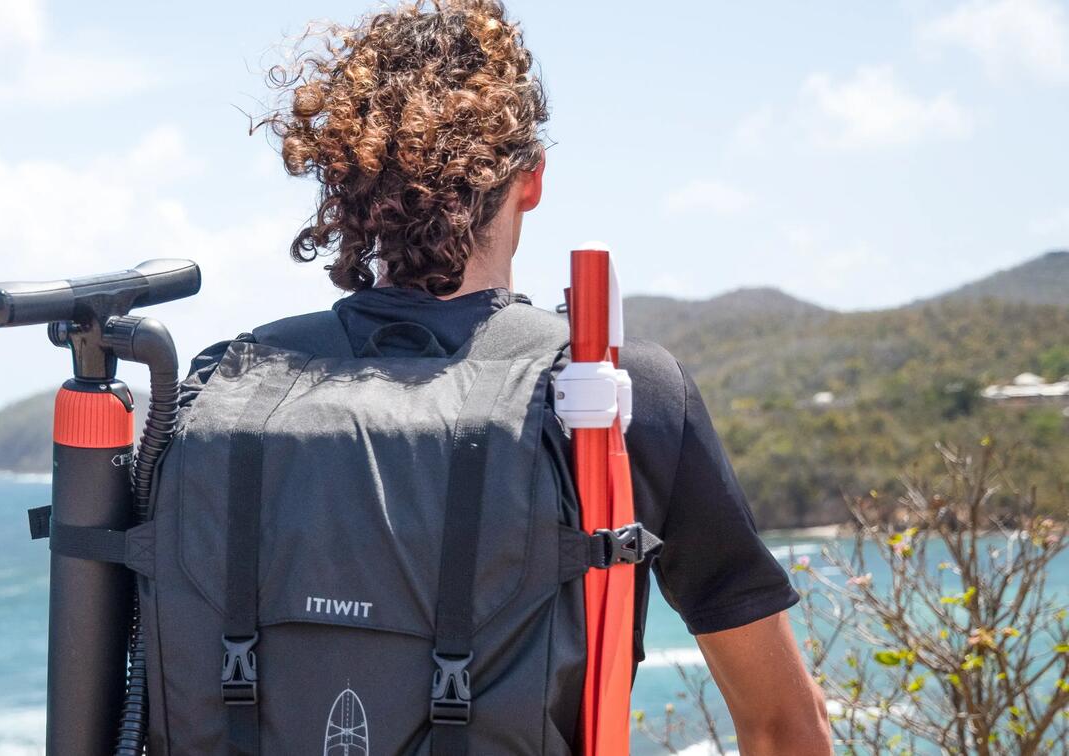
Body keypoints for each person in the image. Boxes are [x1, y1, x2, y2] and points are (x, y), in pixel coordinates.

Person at [229, 1, 833, 751]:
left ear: (346, 188)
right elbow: (782, 724)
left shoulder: (244, 384)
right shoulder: (615, 392)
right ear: (531, 178)